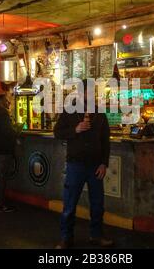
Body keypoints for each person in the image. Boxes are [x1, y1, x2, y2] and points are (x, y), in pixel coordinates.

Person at [54, 80, 113, 249]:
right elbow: (57, 132)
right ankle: (66, 238)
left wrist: (104, 163)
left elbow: (105, 141)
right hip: (75, 164)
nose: (91, 94)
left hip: (95, 165)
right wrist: (75, 129)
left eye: (93, 91)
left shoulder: (99, 113)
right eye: (87, 91)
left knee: (97, 204)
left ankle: (96, 235)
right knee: (70, 203)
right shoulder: (69, 111)